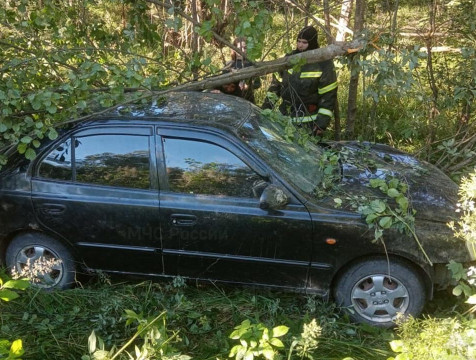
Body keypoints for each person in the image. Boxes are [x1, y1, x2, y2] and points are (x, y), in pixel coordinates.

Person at [262, 26, 337, 135]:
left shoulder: (324, 63)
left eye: (304, 42)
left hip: (308, 121)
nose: (300, 45)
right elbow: (276, 85)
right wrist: (265, 109)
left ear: (312, 43)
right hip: (284, 117)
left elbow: (328, 96)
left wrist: (321, 124)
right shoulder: (290, 58)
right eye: (298, 41)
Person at [225, 37, 261, 104]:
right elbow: (222, 85)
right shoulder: (229, 65)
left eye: (245, 48)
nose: (242, 50)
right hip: (232, 101)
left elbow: (258, 84)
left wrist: (248, 86)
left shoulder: (251, 64)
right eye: (239, 48)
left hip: (248, 101)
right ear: (234, 49)